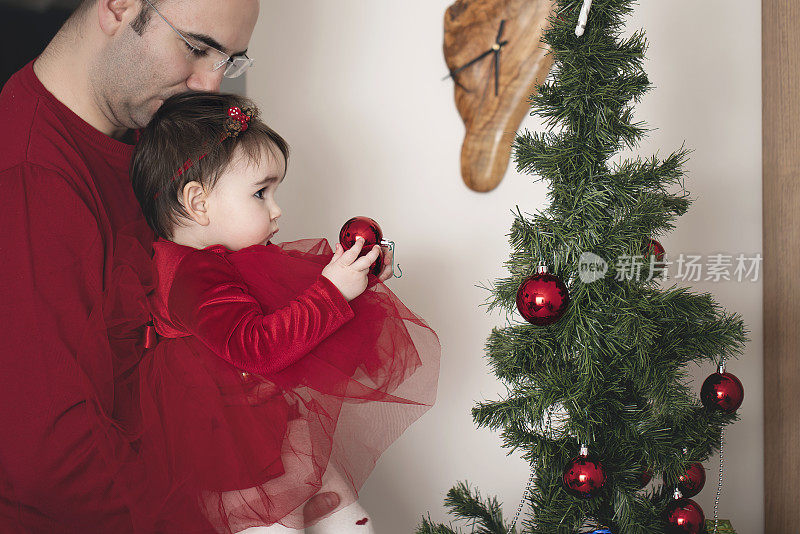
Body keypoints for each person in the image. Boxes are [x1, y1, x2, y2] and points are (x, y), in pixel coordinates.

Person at [0, 0, 345, 531]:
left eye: (227, 61)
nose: (209, 85)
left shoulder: (151, 137)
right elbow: (52, 459)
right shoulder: (30, 177)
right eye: (195, 47)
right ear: (119, 7)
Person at [126, 91, 440, 533]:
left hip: (279, 436)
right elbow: (256, 346)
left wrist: (354, 278)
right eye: (260, 193)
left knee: (345, 518)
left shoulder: (236, 258)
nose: (277, 210)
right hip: (235, 456)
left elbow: (296, 305)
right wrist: (333, 292)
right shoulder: (190, 276)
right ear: (198, 203)